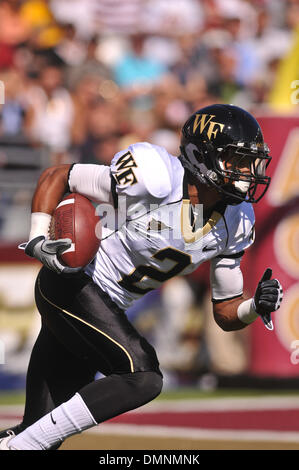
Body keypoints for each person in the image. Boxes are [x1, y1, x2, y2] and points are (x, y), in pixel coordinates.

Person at [0, 104, 283, 450]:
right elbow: (58, 175)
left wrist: (254, 306)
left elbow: (225, 311)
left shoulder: (238, 220)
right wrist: (37, 237)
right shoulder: (154, 176)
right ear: (200, 156)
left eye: (249, 162)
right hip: (72, 283)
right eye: (235, 160)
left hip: (104, 310)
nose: (246, 172)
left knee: (37, 428)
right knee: (142, 376)